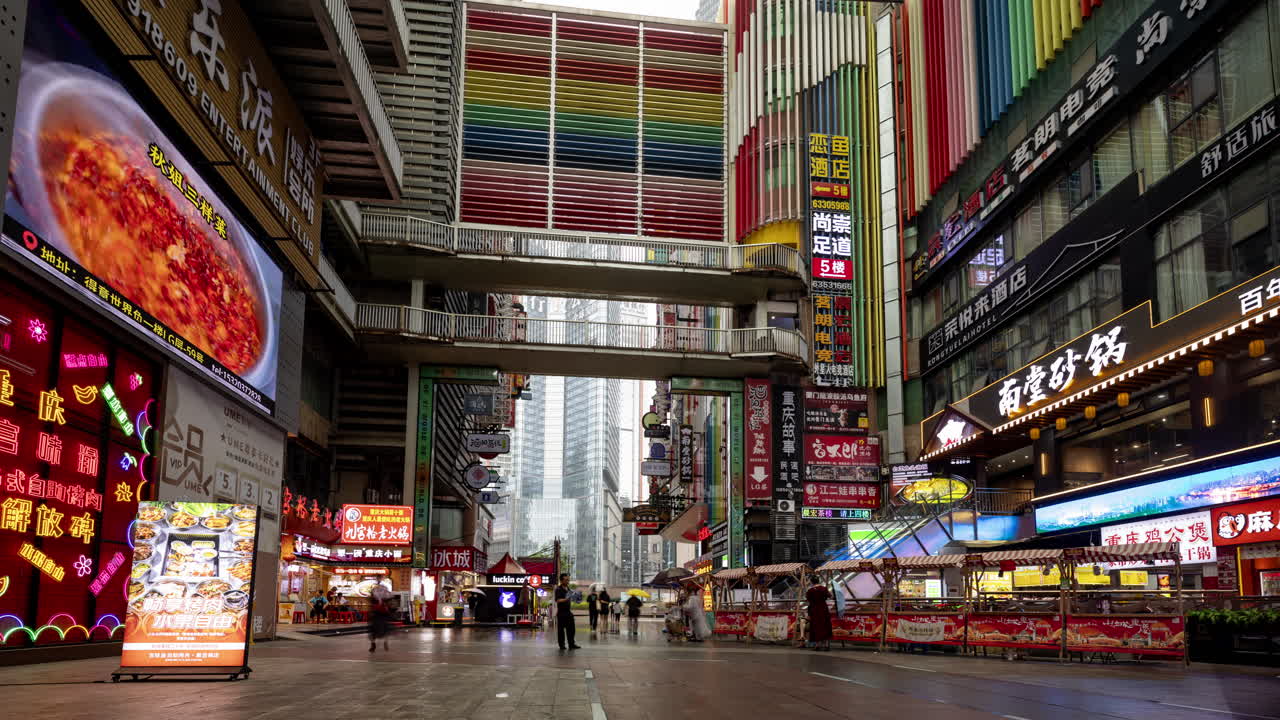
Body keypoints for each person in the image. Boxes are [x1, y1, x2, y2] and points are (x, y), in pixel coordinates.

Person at [806, 576, 833, 651]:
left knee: (816, 627)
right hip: (824, 609)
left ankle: (817, 645)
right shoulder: (824, 589)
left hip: (814, 610)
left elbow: (809, 601)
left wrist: (809, 613)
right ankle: (827, 645)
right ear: (819, 581)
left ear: (811, 582)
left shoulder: (810, 591)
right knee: (825, 626)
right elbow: (830, 596)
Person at [555, 574, 580, 650]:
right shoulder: (558, 589)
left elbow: (573, 599)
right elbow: (558, 600)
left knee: (571, 629)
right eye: (566, 580)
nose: (568, 581)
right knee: (561, 630)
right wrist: (567, 598)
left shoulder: (569, 589)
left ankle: (571, 644)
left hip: (568, 612)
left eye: (568, 580)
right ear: (561, 580)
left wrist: (577, 598)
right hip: (561, 613)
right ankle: (562, 645)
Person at [369, 582, 393, 652]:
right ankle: (382, 642)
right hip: (380, 615)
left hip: (378, 615)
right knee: (384, 630)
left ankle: (374, 644)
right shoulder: (383, 595)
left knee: (374, 631)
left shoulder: (376, 594)